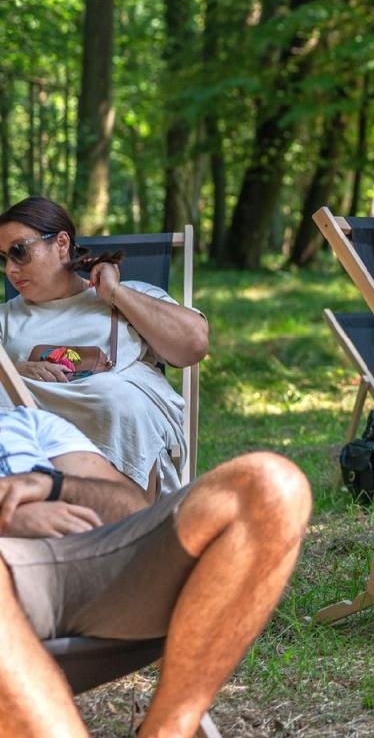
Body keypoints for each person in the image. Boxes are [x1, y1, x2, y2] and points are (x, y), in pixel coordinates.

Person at [0, 402, 309, 738]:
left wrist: (54, 486)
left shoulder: (27, 422)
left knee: (270, 486)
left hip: (88, 563)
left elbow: (131, 512)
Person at [0, 197, 207, 497]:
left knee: (115, 397)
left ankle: (130, 526)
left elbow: (194, 344)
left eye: (20, 251)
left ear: (61, 243)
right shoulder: (6, 317)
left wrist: (115, 293)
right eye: (4, 257)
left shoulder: (132, 297)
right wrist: (15, 371)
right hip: (34, 423)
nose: (10, 269)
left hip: (111, 414)